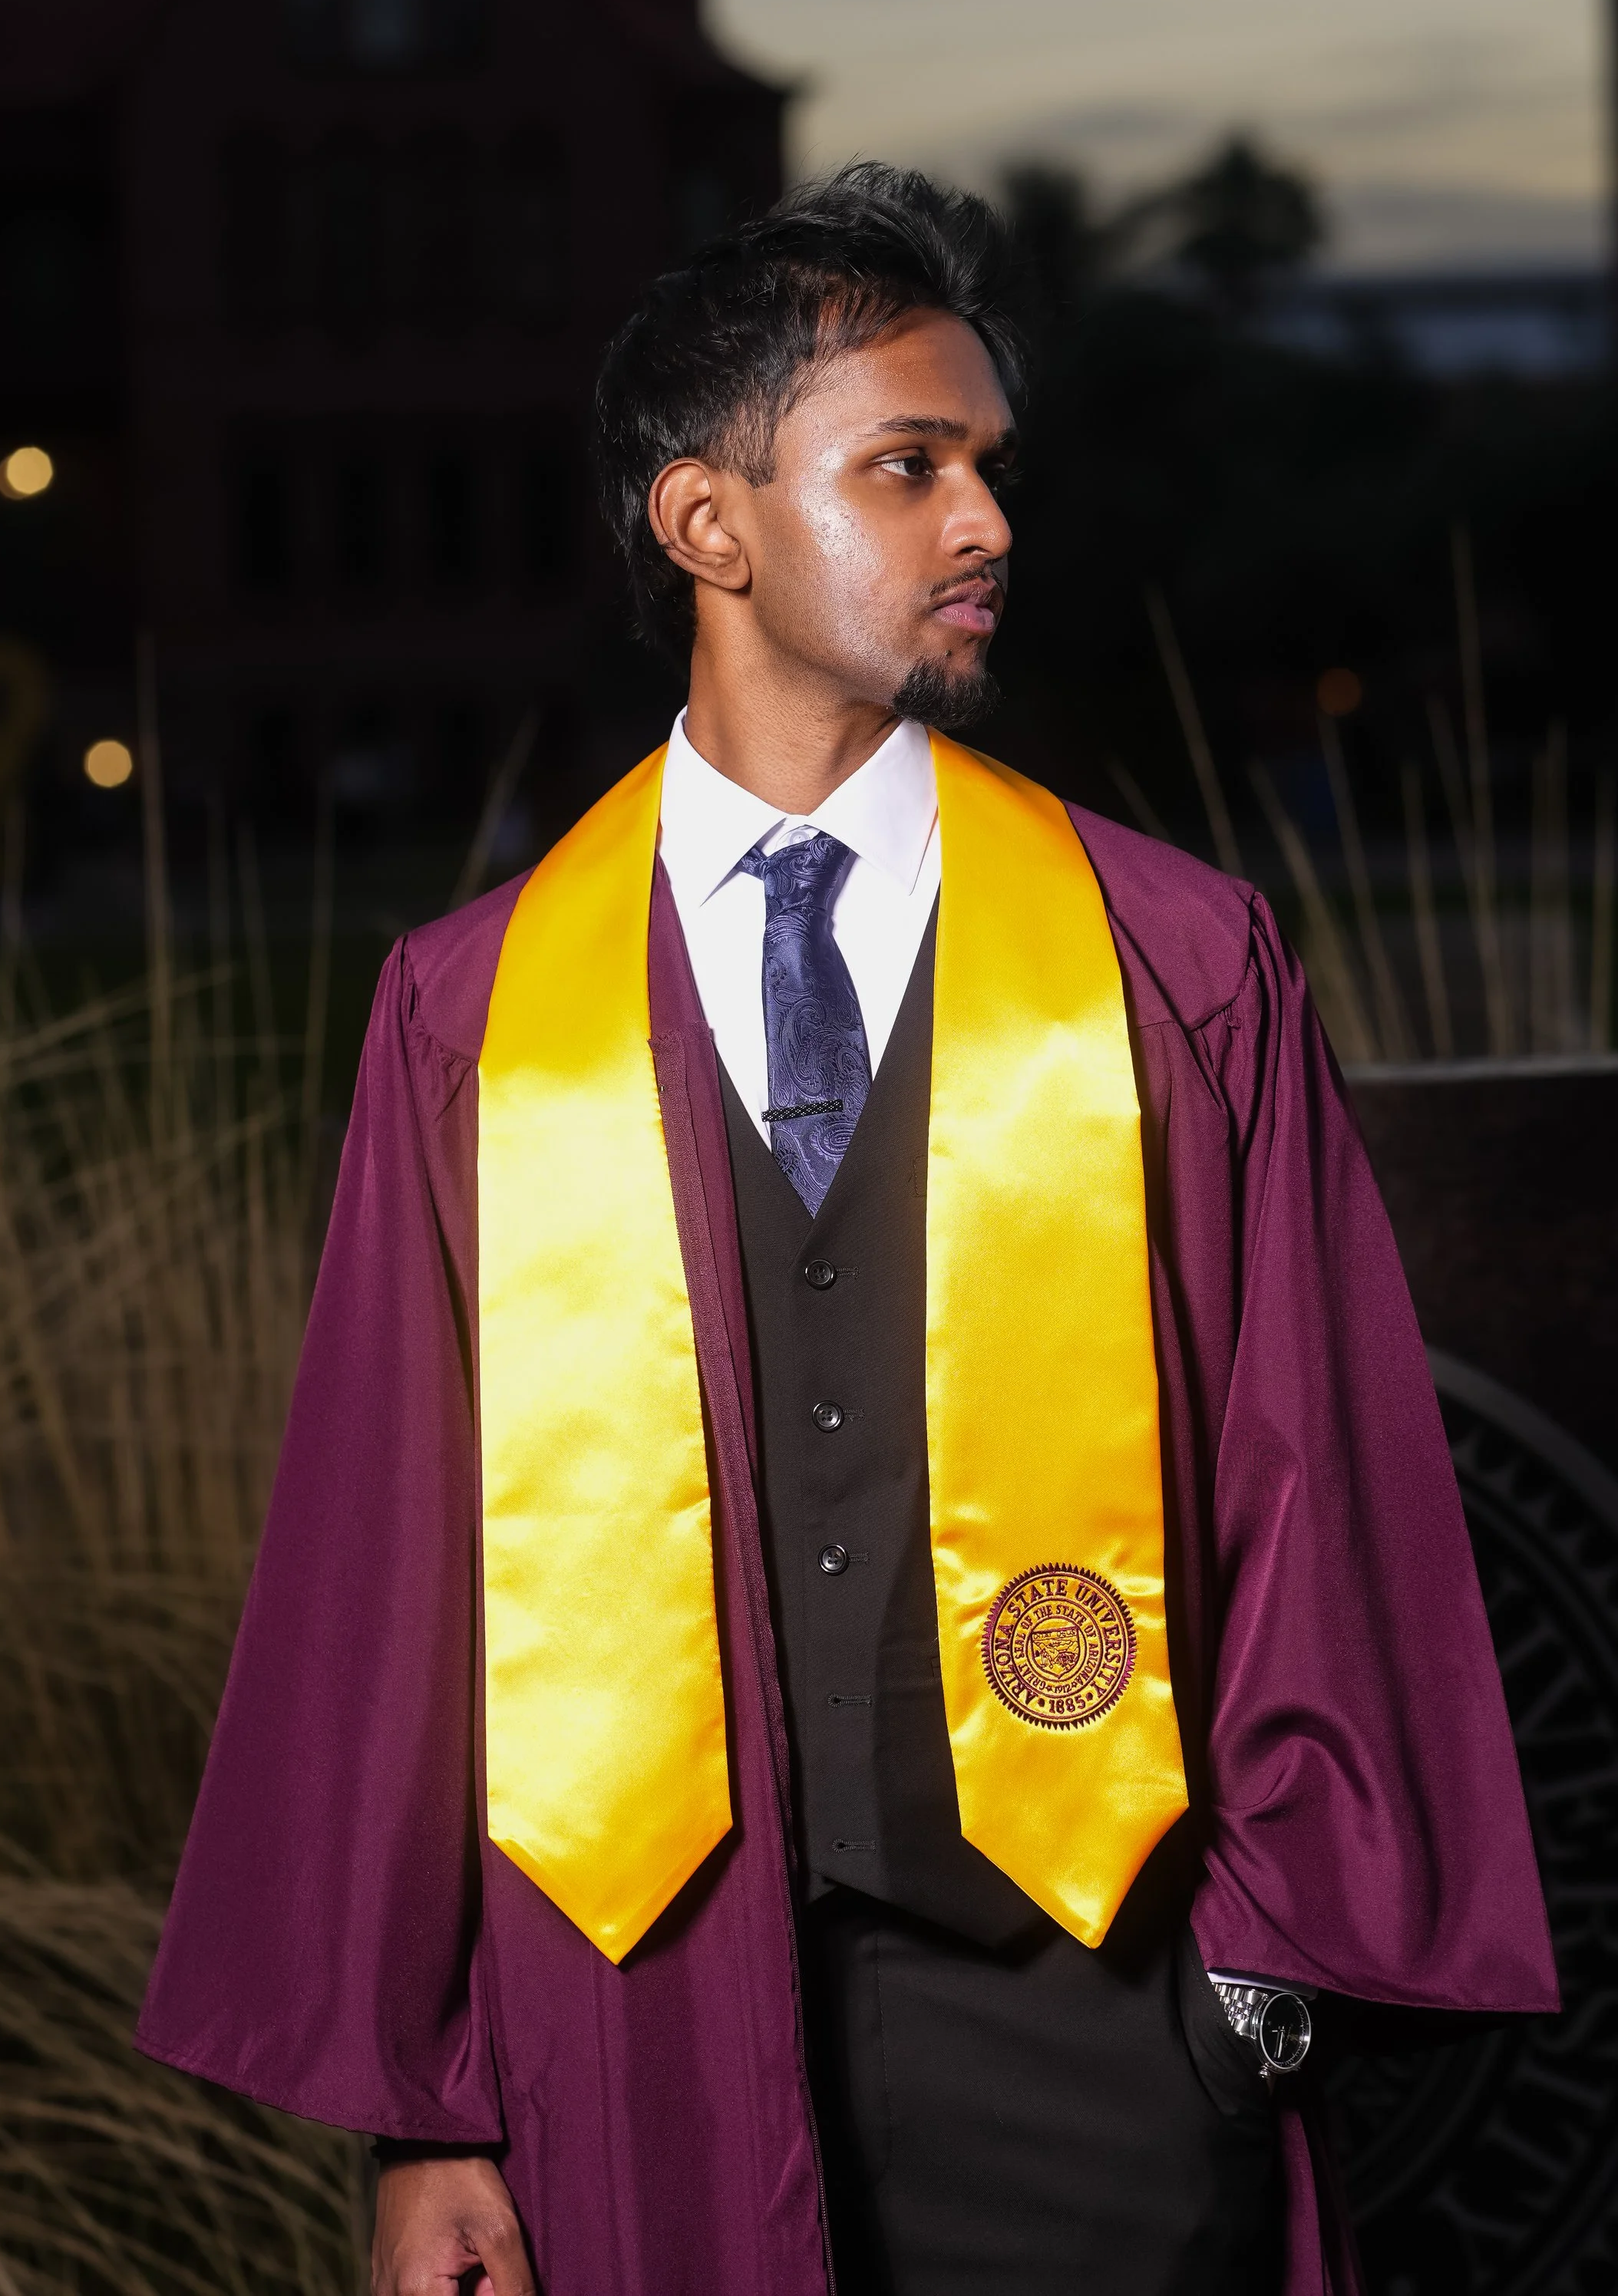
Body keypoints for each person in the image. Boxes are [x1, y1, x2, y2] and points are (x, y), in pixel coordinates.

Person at [137, 167, 1555, 2296]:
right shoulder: (474, 1012)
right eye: (906, 466)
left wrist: (1244, 1993)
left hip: (1089, 2022)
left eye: (985, 466)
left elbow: (1317, 1486)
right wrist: (428, 2108)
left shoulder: (1169, 965)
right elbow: (396, 1561)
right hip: (633, 2015)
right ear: (703, 523)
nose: (983, 522)